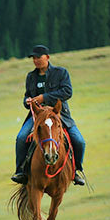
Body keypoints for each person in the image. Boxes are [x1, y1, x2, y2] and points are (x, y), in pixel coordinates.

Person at [12, 44, 86, 185]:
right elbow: (27, 96)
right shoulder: (31, 77)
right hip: (38, 116)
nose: (36, 60)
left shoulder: (61, 73)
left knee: (79, 141)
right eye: (33, 58)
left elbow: (67, 92)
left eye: (38, 57)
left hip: (58, 115)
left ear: (47, 57)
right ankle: (20, 171)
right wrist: (27, 101)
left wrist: (44, 97)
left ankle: (76, 171)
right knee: (21, 138)